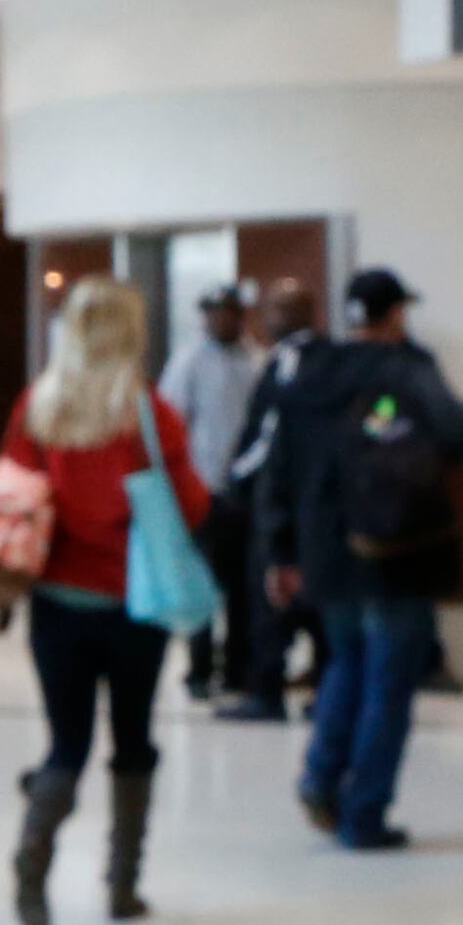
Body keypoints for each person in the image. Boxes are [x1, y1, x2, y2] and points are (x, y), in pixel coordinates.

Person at [2, 277, 212, 925]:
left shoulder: (39, 407)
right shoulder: (150, 415)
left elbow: (12, 491)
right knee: (134, 739)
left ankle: (33, 857)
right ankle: (122, 887)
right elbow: (191, 503)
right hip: (134, 604)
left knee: (66, 743)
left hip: (57, 603)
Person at [261, 267, 463, 851]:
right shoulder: (410, 370)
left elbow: (280, 465)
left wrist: (281, 551)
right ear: (397, 314)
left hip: (327, 552)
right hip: (396, 548)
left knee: (345, 662)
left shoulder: (311, 371)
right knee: (389, 682)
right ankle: (365, 813)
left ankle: (320, 778)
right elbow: (455, 433)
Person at [212, 278, 323, 723]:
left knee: (269, 597)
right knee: (315, 597)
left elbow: (269, 433)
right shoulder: (332, 359)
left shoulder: (286, 361)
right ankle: (326, 690)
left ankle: (266, 691)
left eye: (274, 309)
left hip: (276, 498)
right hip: (319, 504)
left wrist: (236, 481)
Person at [158, 286, 262, 701]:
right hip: (204, 491)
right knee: (202, 582)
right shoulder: (188, 362)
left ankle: (237, 668)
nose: (223, 320)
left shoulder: (256, 360)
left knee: (243, 587)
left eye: (231, 312)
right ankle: (199, 669)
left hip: (246, 492)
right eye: (216, 313)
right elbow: (172, 424)